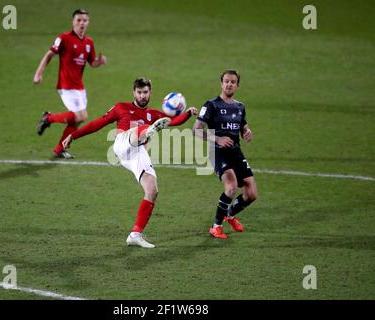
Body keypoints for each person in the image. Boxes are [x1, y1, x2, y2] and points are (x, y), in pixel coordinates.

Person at [62, 77, 198, 248]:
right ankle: (149, 130)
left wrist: (187, 113)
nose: (142, 96)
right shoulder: (121, 107)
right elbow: (98, 123)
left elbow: (174, 121)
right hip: (122, 143)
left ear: (150, 93)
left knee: (152, 190)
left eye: (145, 92)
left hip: (136, 154)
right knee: (142, 130)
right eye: (139, 92)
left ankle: (135, 234)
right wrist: (73, 135)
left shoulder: (155, 114)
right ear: (134, 92)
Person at [33, 8, 107, 159]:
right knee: (80, 116)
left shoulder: (88, 42)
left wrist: (99, 62)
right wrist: (38, 73)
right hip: (65, 85)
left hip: (79, 87)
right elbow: (49, 55)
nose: (81, 23)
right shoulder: (63, 38)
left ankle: (59, 148)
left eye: (84, 20)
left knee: (78, 120)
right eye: (78, 20)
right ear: (73, 22)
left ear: (88, 23)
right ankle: (48, 118)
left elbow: (91, 63)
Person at [193, 69, 257, 239]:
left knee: (251, 194)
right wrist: (217, 139)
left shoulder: (240, 107)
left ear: (237, 85)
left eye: (233, 82)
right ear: (221, 83)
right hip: (218, 152)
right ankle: (216, 226)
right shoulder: (211, 105)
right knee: (231, 187)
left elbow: (242, 125)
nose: (229, 84)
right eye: (226, 81)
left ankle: (229, 214)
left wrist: (246, 131)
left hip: (236, 152)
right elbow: (196, 131)